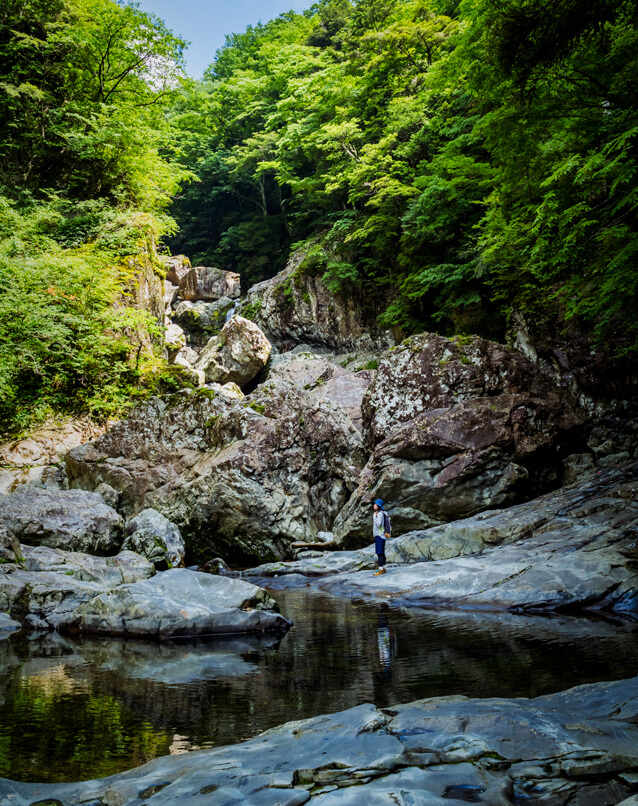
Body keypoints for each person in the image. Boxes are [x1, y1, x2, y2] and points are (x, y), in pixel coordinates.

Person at [372, 498, 391, 575]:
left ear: (378, 505)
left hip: (379, 535)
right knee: (381, 553)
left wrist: (374, 517)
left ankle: (380, 570)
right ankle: (383, 568)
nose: (373, 505)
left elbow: (379, 524)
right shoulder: (382, 513)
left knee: (379, 553)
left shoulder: (379, 514)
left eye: (375, 504)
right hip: (381, 535)